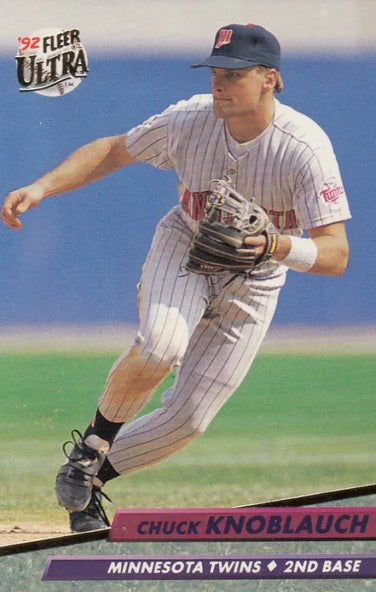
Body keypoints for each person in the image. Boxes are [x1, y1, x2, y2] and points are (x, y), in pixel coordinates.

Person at [1, 23, 351, 532]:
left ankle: (91, 477)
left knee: (187, 422)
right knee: (161, 344)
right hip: (185, 245)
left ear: (270, 78)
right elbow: (113, 150)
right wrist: (41, 187)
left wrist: (276, 245)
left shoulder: (304, 148)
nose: (220, 82)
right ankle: (92, 445)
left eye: (235, 73)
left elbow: (336, 253)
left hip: (256, 277)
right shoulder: (190, 119)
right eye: (215, 71)